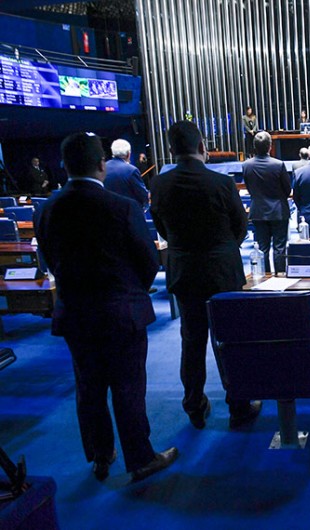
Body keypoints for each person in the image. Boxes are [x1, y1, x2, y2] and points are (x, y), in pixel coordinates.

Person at [35, 132, 178, 483]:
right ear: (101, 164)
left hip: (75, 314)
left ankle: (101, 456)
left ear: (64, 166)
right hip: (121, 312)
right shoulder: (121, 207)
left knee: (89, 388)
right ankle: (140, 459)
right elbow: (148, 261)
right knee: (128, 387)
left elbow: (49, 261)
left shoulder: (47, 209)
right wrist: (132, 292)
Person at [150, 121, 261, 430]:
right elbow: (240, 227)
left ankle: (194, 406)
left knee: (192, 340)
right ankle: (239, 406)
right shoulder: (221, 183)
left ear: (172, 150)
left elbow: (162, 229)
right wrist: (222, 248)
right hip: (221, 271)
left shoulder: (158, 184)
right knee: (229, 339)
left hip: (184, 271)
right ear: (202, 147)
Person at [242, 132, 291, 273]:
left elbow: (250, 188)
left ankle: (265, 279)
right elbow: (287, 190)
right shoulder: (278, 164)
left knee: (262, 248)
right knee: (279, 248)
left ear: (254, 147)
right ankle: (280, 277)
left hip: (258, 211)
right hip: (278, 211)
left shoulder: (246, 165)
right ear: (270, 146)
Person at [104, 139, 149, 209]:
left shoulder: (103, 168)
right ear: (128, 154)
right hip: (128, 214)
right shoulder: (132, 170)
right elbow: (143, 195)